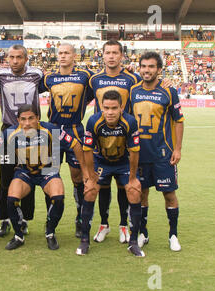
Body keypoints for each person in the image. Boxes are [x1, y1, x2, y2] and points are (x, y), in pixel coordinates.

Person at [0, 104, 87, 250]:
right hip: (25, 172)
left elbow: (76, 145)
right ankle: (18, 236)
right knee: (11, 199)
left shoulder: (51, 129)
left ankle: (50, 232)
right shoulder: (9, 132)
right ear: (18, 120)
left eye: (31, 118)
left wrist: (85, 171)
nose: (27, 123)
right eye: (23, 119)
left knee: (58, 197)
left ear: (38, 118)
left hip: (47, 171)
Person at [76, 90, 144, 257]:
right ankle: (84, 240)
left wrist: (133, 177)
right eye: (106, 108)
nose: (110, 112)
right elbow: (87, 150)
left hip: (123, 162)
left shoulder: (130, 122)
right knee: (90, 191)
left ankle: (133, 242)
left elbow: (134, 152)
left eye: (114, 108)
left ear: (121, 107)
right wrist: (91, 177)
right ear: (101, 107)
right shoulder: (93, 121)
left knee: (134, 192)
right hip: (102, 162)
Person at [88, 40, 142, 244]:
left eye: (115, 53)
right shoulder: (94, 79)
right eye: (107, 52)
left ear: (122, 56)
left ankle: (122, 225)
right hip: (100, 141)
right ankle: (104, 224)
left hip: (123, 140)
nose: (111, 56)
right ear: (102, 55)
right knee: (102, 186)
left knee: (123, 186)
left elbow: (147, 87)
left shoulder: (132, 78)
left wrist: (166, 83)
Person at [130, 51, 185, 251]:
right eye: (143, 66)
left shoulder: (169, 91)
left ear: (159, 70)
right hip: (140, 155)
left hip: (163, 155)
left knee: (169, 194)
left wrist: (177, 149)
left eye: (151, 67)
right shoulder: (133, 91)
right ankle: (143, 232)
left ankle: (173, 235)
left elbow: (178, 120)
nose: (147, 70)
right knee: (142, 194)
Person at [39, 43, 94, 238]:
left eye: (66, 53)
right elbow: (30, 90)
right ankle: (49, 219)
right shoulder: (48, 78)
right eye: (60, 53)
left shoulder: (85, 76)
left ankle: (80, 218)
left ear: (75, 56)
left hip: (75, 129)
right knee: (49, 175)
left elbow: (98, 91)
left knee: (77, 177)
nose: (62, 56)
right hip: (53, 130)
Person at [0, 44, 44, 237]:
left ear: (26, 59)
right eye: (11, 57)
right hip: (8, 130)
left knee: (29, 173)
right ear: (7, 58)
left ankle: (24, 218)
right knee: (5, 176)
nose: (15, 61)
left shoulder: (37, 75)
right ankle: (5, 219)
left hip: (31, 131)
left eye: (19, 57)